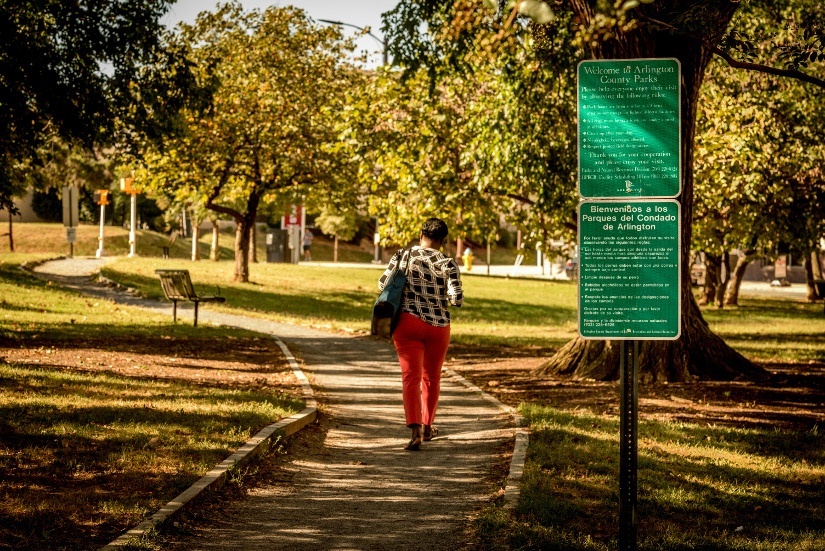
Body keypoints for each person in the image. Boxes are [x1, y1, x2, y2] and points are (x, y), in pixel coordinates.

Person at [378, 218, 463, 451]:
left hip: (407, 323)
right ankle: (427, 426)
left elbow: (382, 283)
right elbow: (457, 299)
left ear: (421, 234)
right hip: (439, 327)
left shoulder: (402, 256)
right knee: (431, 379)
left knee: (410, 378)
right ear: (443, 241)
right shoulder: (448, 262)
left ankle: (414, 431)